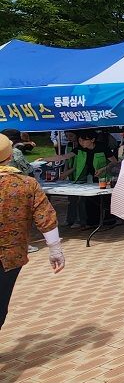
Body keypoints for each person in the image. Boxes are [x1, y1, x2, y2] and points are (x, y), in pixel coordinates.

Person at [0, 133, 65, 329]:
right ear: (10, 157)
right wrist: (55, 250)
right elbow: (46, 218)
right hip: (10, 256)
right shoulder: (26, 184)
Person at [46, 130, 118, 229]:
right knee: (91, 200)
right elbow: (64, 156)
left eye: (84, 140)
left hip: (105, 178)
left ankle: (109, 221)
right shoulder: (80, 148)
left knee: (105, 200)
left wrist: (103, 169)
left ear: (92, 140)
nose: (81, 142)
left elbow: (115, 162)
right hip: (90, 178)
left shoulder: (102, 148)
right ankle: (92, 223)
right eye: (80, 140)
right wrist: (44, 159)